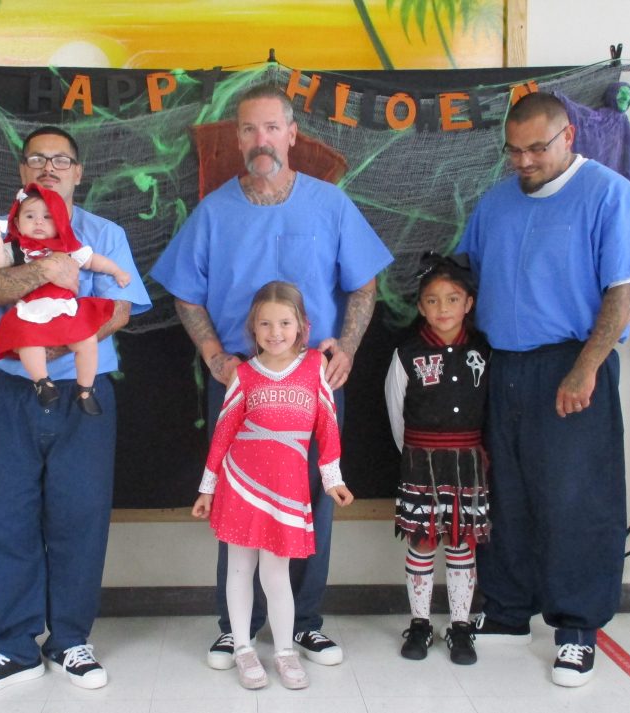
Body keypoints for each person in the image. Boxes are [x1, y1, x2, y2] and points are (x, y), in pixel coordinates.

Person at [151, 82, 393, 669]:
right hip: (241, 381)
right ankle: (236, 628)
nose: (261, 139)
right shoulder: (215, 212)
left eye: (271, 127)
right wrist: (214, 353)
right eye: (249, 129)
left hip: (313, 382)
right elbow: (185, 292)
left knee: (312, 501)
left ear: (291, 134)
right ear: (237, 139)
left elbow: (364, 284)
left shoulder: (329, 204)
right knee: (235, 501)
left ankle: (305, 624)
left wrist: (348, 348)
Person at [456, 91, 630, 687]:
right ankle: (507, 611)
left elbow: (628, 286)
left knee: (576, 500)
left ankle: (577, 628)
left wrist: (586, 367)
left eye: (536, 148)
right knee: (506, 494)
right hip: (503, 365)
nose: (524, 161)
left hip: (573, 364)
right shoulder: (497, 202)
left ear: (568, 136)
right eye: (513, 151)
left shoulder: (607, 194)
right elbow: (468, 274)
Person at [0, 126, 151, 698]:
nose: (48, 167)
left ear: (78, 173)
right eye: (37, 159)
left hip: (83, 395)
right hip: (10, 393)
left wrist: (58, 346)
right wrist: (43, 270)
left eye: (61, 160)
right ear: (22, 171)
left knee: (80, 520)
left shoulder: (103, 233)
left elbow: (120, 308)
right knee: (8, 522)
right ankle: (15, 647)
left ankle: (70, 641)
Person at [193, 281, 355, 690]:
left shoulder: (316, 366)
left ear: (302, 326)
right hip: (241, 484)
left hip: (286, 490)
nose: (275, 332)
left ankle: (284, 651)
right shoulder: (245, 374)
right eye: (265, 323)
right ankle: (243, 648)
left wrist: (332, 478)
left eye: (285, 322)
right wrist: (208, 487)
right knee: (239, 568)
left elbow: (327, 425)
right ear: (253, 327)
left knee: (277, 572)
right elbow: (223, 432)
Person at [383, 253, 490, 666]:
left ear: (469, 304)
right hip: (420, 461)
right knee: (423, 539)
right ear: (420, 306)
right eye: (432, 300)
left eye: (452, 299)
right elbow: (396, 412)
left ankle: (460, 624)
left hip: (467, 462)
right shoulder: (407, 353)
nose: (442, 309)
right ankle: (420, 623)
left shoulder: (484, 351)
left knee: (462, 541)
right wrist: (414, 454)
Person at [0, 182, 131, 413]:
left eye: (47, 217)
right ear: (17, 223)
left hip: (64, 308)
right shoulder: (17, 249)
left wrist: (116, 271)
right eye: (30, 216)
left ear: (60, 223)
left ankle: (85, 389)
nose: (39, 222)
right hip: (31, 309)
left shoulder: (67, 247)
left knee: (87, 341)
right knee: (27, 342)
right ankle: (42, 382)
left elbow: (93, 261)